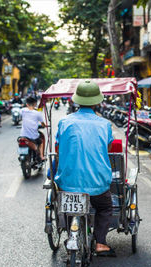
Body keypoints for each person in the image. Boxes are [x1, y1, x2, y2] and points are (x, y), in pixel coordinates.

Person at [55, 80, 116, 257]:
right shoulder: (104, 124)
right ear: (97, 102)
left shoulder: (65, 122)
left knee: (68, 205)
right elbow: (108, 148)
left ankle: (71, 235)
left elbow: (58, 148)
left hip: (68, 181)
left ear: (76, 100)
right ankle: (101, 243)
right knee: (104, 207)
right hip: (97, 182)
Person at [20, 97, 46, 162]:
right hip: (33, 137)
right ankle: (42, 156)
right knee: (40, 143)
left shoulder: (23, 110)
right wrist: (44, 126)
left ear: (27, 104)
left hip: (23, 136)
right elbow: (42, 124)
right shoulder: (37, 113)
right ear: (34, 104)